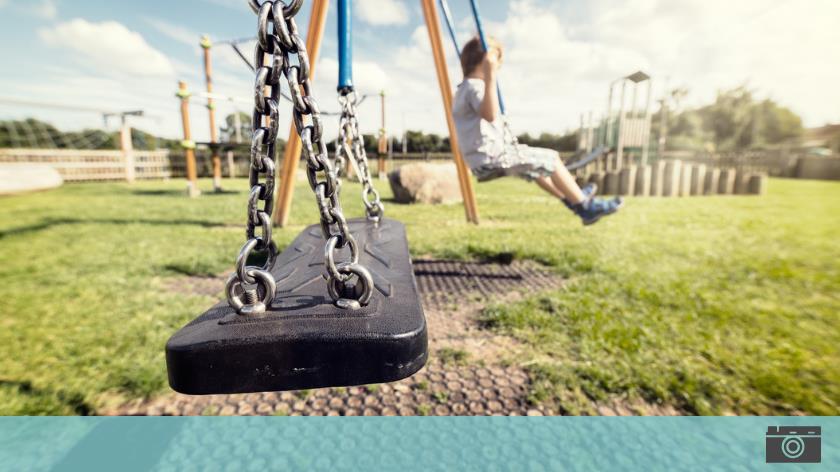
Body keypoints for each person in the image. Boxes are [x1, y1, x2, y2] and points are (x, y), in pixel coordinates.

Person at [452, 36, 622, 225]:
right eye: (497, 63)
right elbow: (490, 114)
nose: (498, 68)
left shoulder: (462, 90)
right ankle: (585, 206)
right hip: (493, 159)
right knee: (552, 159)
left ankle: (572, 199)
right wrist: (490, 76)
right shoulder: (476, 87)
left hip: (481, 161)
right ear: (486, 61)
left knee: (539, 171)